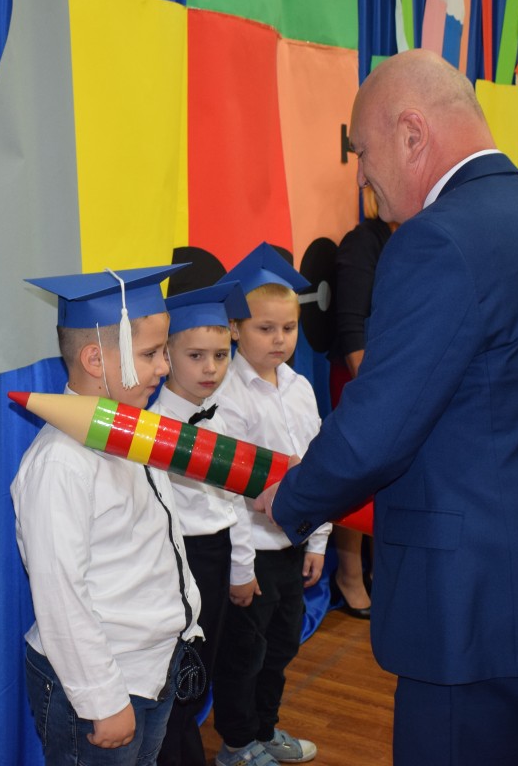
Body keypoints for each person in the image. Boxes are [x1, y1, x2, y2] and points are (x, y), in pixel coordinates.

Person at [254, 49, 518, 765]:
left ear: (412, 133)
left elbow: (379, 428)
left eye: (362, 152)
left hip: (475, 617)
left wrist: (293, 498)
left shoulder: (436, 241)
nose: (361, 176)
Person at [11, 264, 203, 765]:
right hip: (103, 681)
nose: (165, 367)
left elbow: (161, 537)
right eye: (151, 354)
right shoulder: (60, 463)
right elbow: (60, 593)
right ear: (95, 359)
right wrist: (102, 700)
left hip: (153, 665)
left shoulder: (136, 430)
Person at [212, 242, 328, 766]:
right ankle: (237, 744)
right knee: (245, 654)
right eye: (265, 328)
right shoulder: (227, 397)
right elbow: (229, 492)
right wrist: (240, 566)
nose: (280, 338)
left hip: (291, 543)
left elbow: (318, 469)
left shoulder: (300, 387)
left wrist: (317, 540)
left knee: (281, 646)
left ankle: (264, 728)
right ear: (235, 329)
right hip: (252, 551)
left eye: (289, 327)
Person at [152, 282, 251, 766]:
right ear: (166, 356)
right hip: (180, 561)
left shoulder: (220, 416)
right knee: (180, 674)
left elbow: (236, 499)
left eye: (221, 355)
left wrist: (241, 566)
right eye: (196, 356)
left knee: (205, 669)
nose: (211, 368)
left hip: (218, 552)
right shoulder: (154, 427)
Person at [328, 184, 395, 620]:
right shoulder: (363, 241)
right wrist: (372, 391)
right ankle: (349, 575)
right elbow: (351, 324)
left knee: (387, 475)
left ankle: (378, 570)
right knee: (356, 477)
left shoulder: (418, 237)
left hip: (395, 379)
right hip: (361, 378)